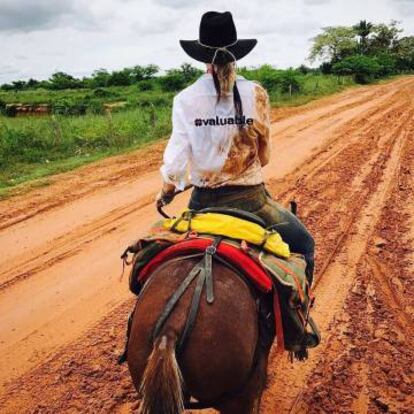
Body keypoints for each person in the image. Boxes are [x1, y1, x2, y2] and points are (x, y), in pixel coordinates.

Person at [156, 11, 315, 283]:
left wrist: (167, 193)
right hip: (252, 202)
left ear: (202, 57)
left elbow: (176, 165)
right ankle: (300, 324)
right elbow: (264, 158)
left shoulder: (185, 99)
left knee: (152, 255)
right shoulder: (256, 94)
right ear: (237, 54)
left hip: (201, 204)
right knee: (304, 246)